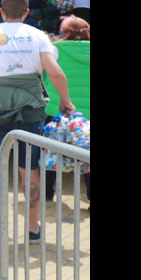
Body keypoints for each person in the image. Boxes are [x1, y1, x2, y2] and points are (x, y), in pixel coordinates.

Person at [0, 0, 74, 248]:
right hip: (28, 108)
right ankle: (33, 230)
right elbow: (54, 73)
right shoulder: (37, 36)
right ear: (27, 12)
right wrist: (65, 101)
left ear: (1, 12)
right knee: (29, 168)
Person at [42, 15, 91, 203]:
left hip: (57, 111)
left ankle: (47, 194)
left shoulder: (54, 50)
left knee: (51, 152)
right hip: (87, 114)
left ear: (63, 33)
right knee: (88, 155)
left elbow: (43, 73)